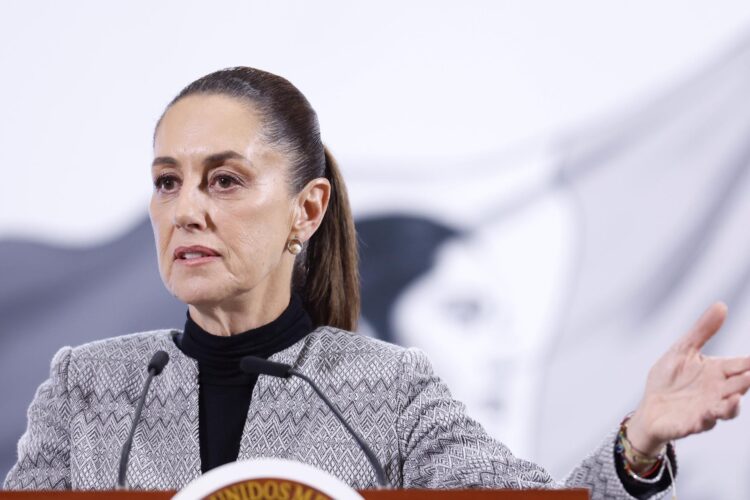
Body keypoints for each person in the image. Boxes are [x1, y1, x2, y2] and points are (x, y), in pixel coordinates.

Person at [4, 67, 750, 498]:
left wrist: (639, 442)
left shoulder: (387, 390)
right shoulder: (89, 388)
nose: (187, 209)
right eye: (168, 183)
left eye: (223, 179)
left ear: (307, 209)